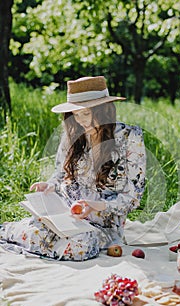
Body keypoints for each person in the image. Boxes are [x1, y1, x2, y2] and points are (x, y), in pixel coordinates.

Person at [0, 76, 146, 261]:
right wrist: (50, 185)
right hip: (65, 216)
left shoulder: (129, 138)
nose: (81, 121)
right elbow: (61, 173)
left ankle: (22, 236)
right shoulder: (73, 133)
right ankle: (8, 230)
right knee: (38, 234)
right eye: (75, 115)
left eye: (86, 113)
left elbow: (132, 199)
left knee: (79, 248)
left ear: (104, 110)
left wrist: (95, 206)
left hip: (102, 225)